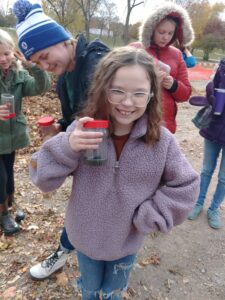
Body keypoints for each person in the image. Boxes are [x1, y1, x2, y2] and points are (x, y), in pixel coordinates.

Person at [29, 46, 199, 299]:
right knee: (89, 289)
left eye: (138, 93)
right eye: (117, 90)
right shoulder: (84, 130)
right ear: (102, 89)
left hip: (126, 243)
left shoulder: (161, 141)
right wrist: (67, 146)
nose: (127, 102)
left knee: (113, 293)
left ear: (151, 95)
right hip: (85, 238)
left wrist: (150, 216)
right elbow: (42, 178)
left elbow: (186, 186)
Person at [13, 0, 110, 279]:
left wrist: (67, 137)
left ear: (62, 41)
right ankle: (71, 250)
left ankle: (101, 257)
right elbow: (78, 116)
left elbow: (102, 117)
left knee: (93, 206)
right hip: (90, 151)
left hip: (105, 153)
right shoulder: (67, 72)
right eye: (37, 62)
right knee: (83, 206)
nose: (44, 65)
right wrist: (62, 126)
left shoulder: (95, 63)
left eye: (44, 56)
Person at [0, 29, 50, 235]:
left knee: (9, 174)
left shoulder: (19, 75)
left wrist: (33, 66)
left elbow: (41, 87)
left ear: (14, 53)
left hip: (12, 136)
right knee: (0, 177)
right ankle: (3, 214)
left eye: (6, 53)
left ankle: (10, 206)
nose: (3, 59)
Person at [131, 2, 193, 133]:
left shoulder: (176, 54)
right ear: (151, 29)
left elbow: (186, 93)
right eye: (161, 32)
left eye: (170, 33)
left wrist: (173, 85)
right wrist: (149, 80)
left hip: (165, 125)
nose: (166, 37)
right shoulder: (135, 49)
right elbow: (120, 82)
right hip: (136, 121)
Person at [188, 58, 225, 229]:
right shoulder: (223, 67)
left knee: (224, 178)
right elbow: (214, 88)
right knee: (206, 170)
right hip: (214, 125)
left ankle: (214, 209)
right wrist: (210, 99)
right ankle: (198, 202)